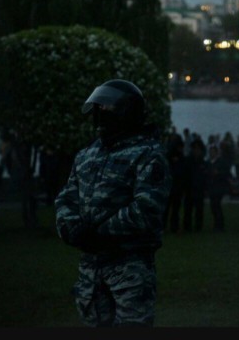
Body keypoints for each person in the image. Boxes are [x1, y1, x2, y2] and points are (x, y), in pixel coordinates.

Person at [54, 79, 171, 327]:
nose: (99, 114)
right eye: (98, 108)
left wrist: (97, 233)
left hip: (129, 270)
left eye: (106, 107)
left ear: (126, 112)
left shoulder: (148, 154)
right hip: (90, 273)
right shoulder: (87, 154)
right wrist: (71, 229)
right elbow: (66, 198)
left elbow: (147, 209)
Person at [205, 144, 231, 232]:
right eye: (210, 152)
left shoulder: (221, 162)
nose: (211, 153)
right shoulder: (208, 163)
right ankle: (217, 224)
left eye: (213, 152)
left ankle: (219, 225)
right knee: (214, 206)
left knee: (216, 206)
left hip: (219, 187)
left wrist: (218, 173)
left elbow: (226, 173)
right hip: (212, 187)